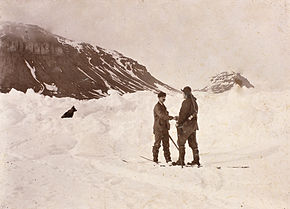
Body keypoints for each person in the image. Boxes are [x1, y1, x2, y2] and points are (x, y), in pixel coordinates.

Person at [172, 86, 200, 166]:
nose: (182, 94)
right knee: (193, 144)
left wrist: (178, 122)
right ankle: (196, 160)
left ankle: (181, 161)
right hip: (193, 126)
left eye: (183, 93)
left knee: (181, 143)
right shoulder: (194, 102)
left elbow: (183, 114)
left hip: (186, 127)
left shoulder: (186, 102)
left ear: (186, 93)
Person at [152, 91, 174, 163]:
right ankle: (155, 159)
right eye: (162, 97)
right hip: (158, 128)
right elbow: (162, 116)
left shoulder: (163, 106)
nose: (164, 98)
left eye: (165, 97)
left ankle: (168, 159)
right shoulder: (157, 107)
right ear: (159, 98)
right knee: (157, 144)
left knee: (166, 144)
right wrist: (170, 117)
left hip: (164, 128)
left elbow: (165, 116)